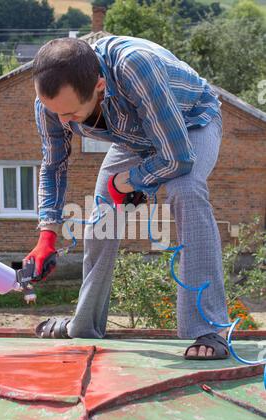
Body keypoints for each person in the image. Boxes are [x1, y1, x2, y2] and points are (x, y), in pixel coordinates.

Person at [24, 35, 230, 360]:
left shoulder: (134, 66)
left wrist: (131, 182)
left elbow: (177, 158)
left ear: (100, 85)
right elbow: (53, 165)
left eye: (72, 114)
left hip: (190, 123)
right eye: (55, 112)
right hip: (133, 139)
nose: (62, 121)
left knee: (185, 189)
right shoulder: (51, 104)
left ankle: (209, 328)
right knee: (101, 223)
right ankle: (85, 324)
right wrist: (47, 233)